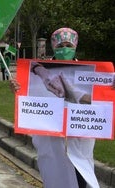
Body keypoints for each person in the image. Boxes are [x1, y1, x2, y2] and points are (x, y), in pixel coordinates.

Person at [9, 28, 99, 188]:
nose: (65, 49)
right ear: (53, 47)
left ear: (75, 46)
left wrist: (108, 90)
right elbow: (30, 96)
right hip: (51, 143)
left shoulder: (89, 72)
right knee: (55, 179)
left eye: (68, 45)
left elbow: (92, 99)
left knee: (80, 180)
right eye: (61, 45)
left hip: (79, 143)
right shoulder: (47, 73)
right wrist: (17, 88)